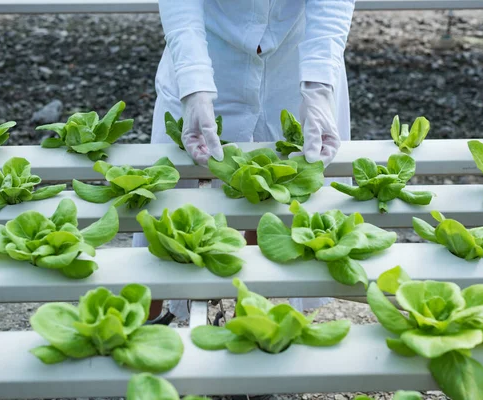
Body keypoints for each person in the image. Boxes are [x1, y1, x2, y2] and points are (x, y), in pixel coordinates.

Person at [135, 0, 356, 325]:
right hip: (207, 49)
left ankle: (248, 318)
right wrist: (194, 83)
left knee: (270, 193)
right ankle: (141, 326)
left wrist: (319, 84)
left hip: (293, 60)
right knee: (166, 208)